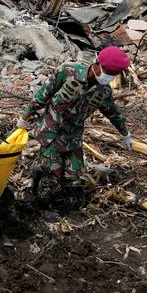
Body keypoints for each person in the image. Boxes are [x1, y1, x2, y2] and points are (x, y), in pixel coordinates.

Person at [17, 47, 133, 214]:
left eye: (114, 74)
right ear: (98, 63)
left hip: (73, 135)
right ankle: (42, 206)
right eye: (109, 72)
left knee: (74, 174)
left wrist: (125, 134)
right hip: (52, 130)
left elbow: (112, 112)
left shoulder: (104, 91)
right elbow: (44, 94)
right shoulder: (69, 72)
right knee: (52, 173)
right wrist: (25, 116)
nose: (110, 77)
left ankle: (51, 188)